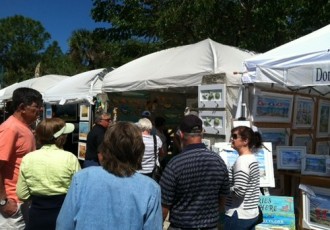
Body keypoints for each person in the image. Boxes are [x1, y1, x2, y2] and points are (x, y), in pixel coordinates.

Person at [56, 122, 163, 229]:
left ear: (105, 148)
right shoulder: (150, 188)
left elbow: (64, 224)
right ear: (139, 151)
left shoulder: (82, 178)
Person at [160, 115, 230, 229]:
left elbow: (164, 207)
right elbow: (222, 201)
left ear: (181, 134)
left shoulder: (174, 164)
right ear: (202, 132)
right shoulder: (218, 161)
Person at [16, 118, 81, 230]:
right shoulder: (69, 158)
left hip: (37, 215)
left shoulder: (28, 158)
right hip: (64, 214)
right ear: (61, 137)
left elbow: (22, 195)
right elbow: (79, 191)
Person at [0, 87, 43, 229]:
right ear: (22, 107)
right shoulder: (10, 129)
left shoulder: (24, 127)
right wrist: (3, 201)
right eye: (36, 107)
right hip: (11, 202)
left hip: (21, 200)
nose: (40, 110)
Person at [224, 126, 262, 230]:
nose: (232, 139)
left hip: (238, 215)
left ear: (245, 141)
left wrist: (222, 190)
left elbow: (239, 192)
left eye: (235, 136)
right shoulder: (252, 158)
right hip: (250, 213)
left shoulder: (242, 161)